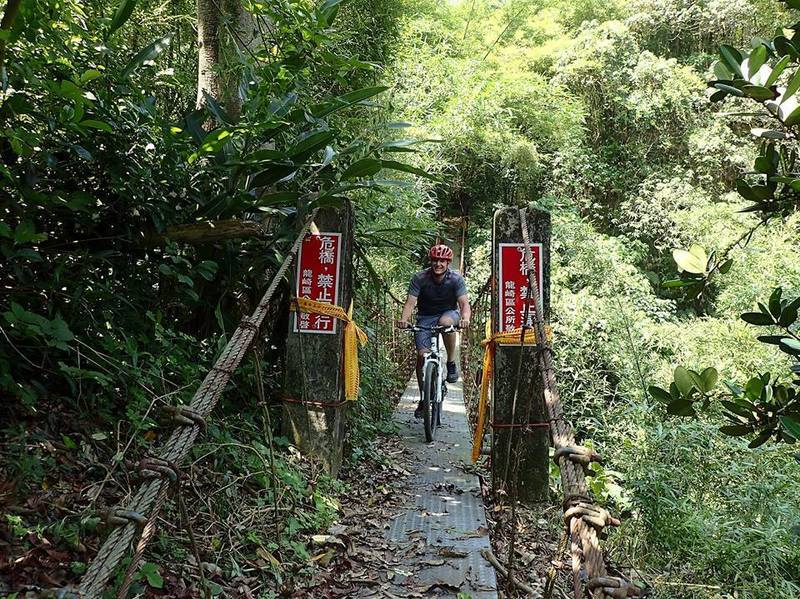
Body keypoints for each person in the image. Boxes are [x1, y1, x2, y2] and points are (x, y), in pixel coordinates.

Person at [399, 244, 471, 418]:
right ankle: (424, 398)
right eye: (435, 260)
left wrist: (465, 318)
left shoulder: (455, 279)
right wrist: (404, 319)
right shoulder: (420, 278)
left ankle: (451, 363)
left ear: (448, 263)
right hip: (424, 317)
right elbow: (410, 302)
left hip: (448, 314)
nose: (438, 264)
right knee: (422, 356)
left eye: (442, 261)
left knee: (445, 322)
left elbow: (464, 304)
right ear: (431, 261)